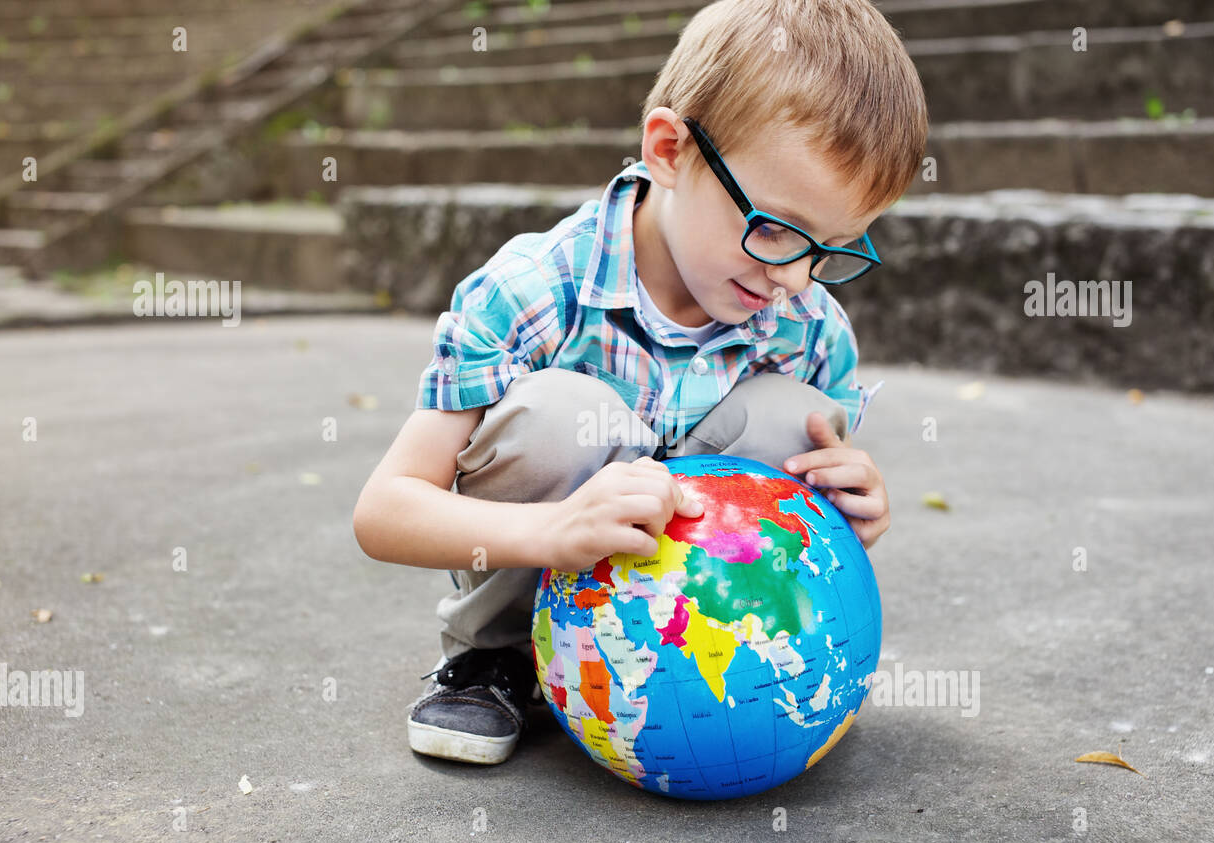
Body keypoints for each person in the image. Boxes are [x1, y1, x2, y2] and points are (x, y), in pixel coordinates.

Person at [352, 0, 928, 766]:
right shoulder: (531, 290)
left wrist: (853, 502)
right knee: (563, 414)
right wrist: (554, 532)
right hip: (531, 575)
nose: (793, 277)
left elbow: (814, 516)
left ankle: (731, 685)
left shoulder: (808, 328)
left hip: (695, 628)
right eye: (777, 228)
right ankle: (496, 659)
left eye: (833, 249)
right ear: (668, 149)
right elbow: (383, 510)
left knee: (798, 422)